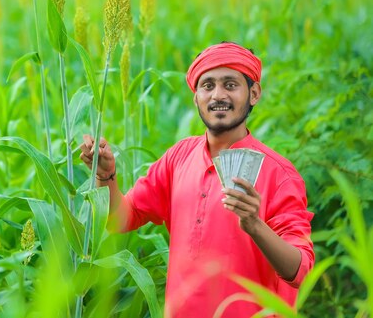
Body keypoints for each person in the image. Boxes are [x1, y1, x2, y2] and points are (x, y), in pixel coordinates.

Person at [80, 42, 314, 318]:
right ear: (196, 98)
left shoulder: (279, 175)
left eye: (230, 85)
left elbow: (300, 270)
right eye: (208, 86)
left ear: (254, 94)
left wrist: (254, 224)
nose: (218, 95)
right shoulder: (178, 157)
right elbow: (119, 219)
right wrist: (105, 175)